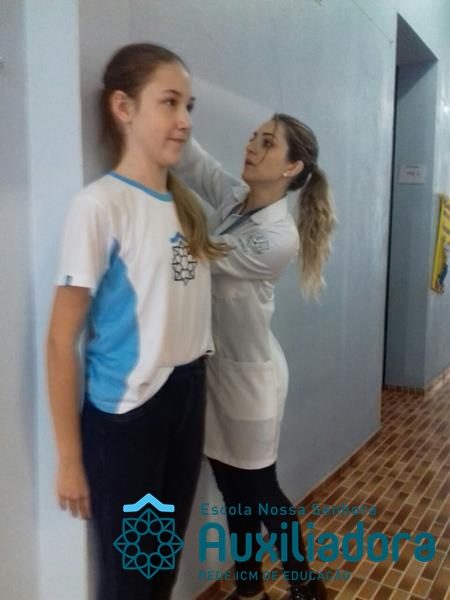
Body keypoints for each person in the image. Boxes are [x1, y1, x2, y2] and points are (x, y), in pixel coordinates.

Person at [46, 43, 226, 600]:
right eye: (169, 103)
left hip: (188, 394)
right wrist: (70, 459)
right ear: (123, 107)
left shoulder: (185, 207)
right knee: (130, 581)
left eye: (188, 106)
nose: (184, 120)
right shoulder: (99, 206)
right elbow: (60, 340)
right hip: (129, 417)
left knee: (161, 569)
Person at [174, 114, 336, 600]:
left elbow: (197, 254)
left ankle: (305, 585)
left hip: (250, 384)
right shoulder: (236, 198)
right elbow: (197, 164)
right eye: (254, 137)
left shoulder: (277, 236)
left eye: (267, 143)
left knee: (262, 492)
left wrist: (149, 200)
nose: (252, 146)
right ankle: (249, 589)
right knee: (232, 490)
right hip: (217, 372)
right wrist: (171, 121)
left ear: (291, 167)